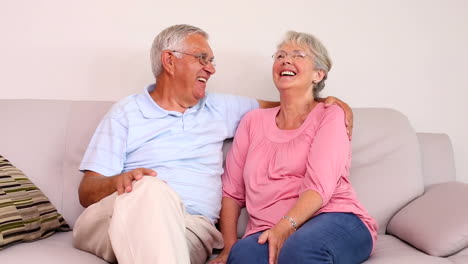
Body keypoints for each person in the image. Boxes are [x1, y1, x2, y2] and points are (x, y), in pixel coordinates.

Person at [72, 24, 354, 264]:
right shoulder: (126, 113)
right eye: (202, 58)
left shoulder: (221, 108)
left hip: (189, 229)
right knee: (149, 190)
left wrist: (331, 104)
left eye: (212, 60)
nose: (211, 68)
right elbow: (87, 193)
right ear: (169, 61)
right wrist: (122, 181)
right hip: (116, 217)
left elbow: (287, 107)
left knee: (156, 207)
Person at [211, 31, 378, 264]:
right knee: (243, 256)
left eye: (298, 55)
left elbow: (319, 186)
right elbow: (231, 192)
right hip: (266, 228)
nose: (285, 60)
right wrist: (229, 247)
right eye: (280, 55)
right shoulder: (253, 121)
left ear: (318, 74)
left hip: (333, 217)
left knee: (300, 250)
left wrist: (284, 227)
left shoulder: (330, 115)